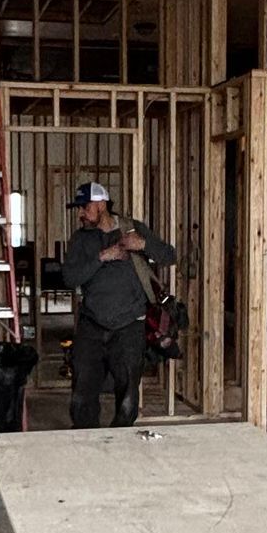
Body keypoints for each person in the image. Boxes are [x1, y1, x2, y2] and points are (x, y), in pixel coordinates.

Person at [60, 181, 175, 429]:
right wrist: (103, 256)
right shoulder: (81, 240)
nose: (80, 214)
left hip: (129, 326)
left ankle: (120, 445)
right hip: (92, 325)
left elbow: (169, 255)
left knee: (128, 398)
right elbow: (70, 278)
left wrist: (143, 245)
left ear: (101, 205)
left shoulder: (132, 229)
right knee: (82, 394)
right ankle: (85, 439)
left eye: (85, 207)